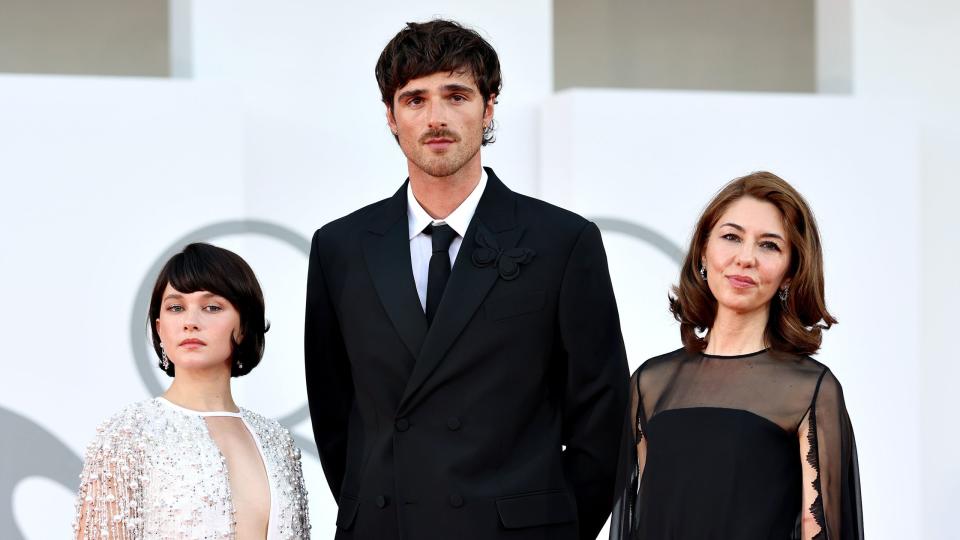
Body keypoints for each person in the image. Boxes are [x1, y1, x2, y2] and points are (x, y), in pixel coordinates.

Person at [304, 19, 629, 540]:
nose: (436, 118)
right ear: (390, 116)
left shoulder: (562, 242)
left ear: (489, 106)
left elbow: (603, 417)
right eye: (415, 100)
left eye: (456, 95)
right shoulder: (339, 248)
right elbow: (334, 413)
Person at [610, 172, 864, 539]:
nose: (746, 259)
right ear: (703, 250)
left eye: (770, 246)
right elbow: (641, 517)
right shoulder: (652, 382)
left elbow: (819, 528)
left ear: (790, 272)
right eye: (731, 237)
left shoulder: (808, 389)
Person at [73, 243, 310, 539]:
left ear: (244, 325)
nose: (190, 323)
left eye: (212, 307)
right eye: (176, 307)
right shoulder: (127, 435)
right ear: (160, 329)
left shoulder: (277, 441)